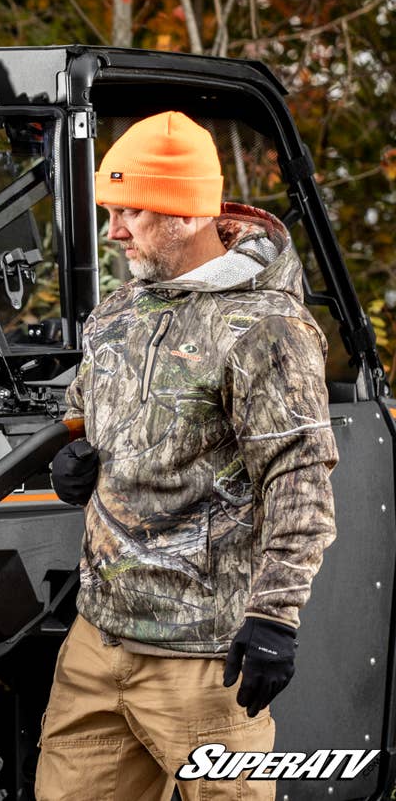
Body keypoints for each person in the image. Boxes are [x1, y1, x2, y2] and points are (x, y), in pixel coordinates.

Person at [36, 111, 338, 800]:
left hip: (204, 661)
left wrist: (274, 619)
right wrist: (75, 456)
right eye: (112, 210)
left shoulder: (268, 328)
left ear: (182, 214)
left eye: (131, 210)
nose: (113, 229)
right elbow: (84, 413)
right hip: (97, 644)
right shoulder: (119, 311)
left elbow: (300, 482)